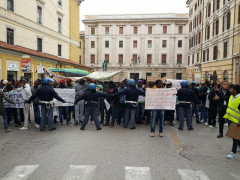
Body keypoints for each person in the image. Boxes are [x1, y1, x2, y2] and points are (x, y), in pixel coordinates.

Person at [224, 85, 240, 159]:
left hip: (236, 121)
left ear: (235, 90)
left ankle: (233, 153)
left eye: (232, 89)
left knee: (234, 137)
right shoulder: (231, 96)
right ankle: (238, 147)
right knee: (235, 136)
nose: (230, 90)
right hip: (230, 119)